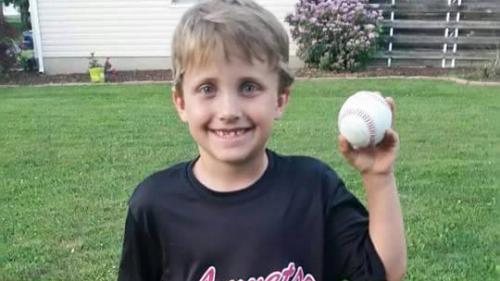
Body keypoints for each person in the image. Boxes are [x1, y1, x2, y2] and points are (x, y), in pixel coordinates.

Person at [117, 0, 406, 280]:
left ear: (280, 99)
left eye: (249, 87)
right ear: (181, 102)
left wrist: (378, 176)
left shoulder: (313, 188)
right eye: (207, 88)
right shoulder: (155, 204)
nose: (229, 111)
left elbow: (384, 273)